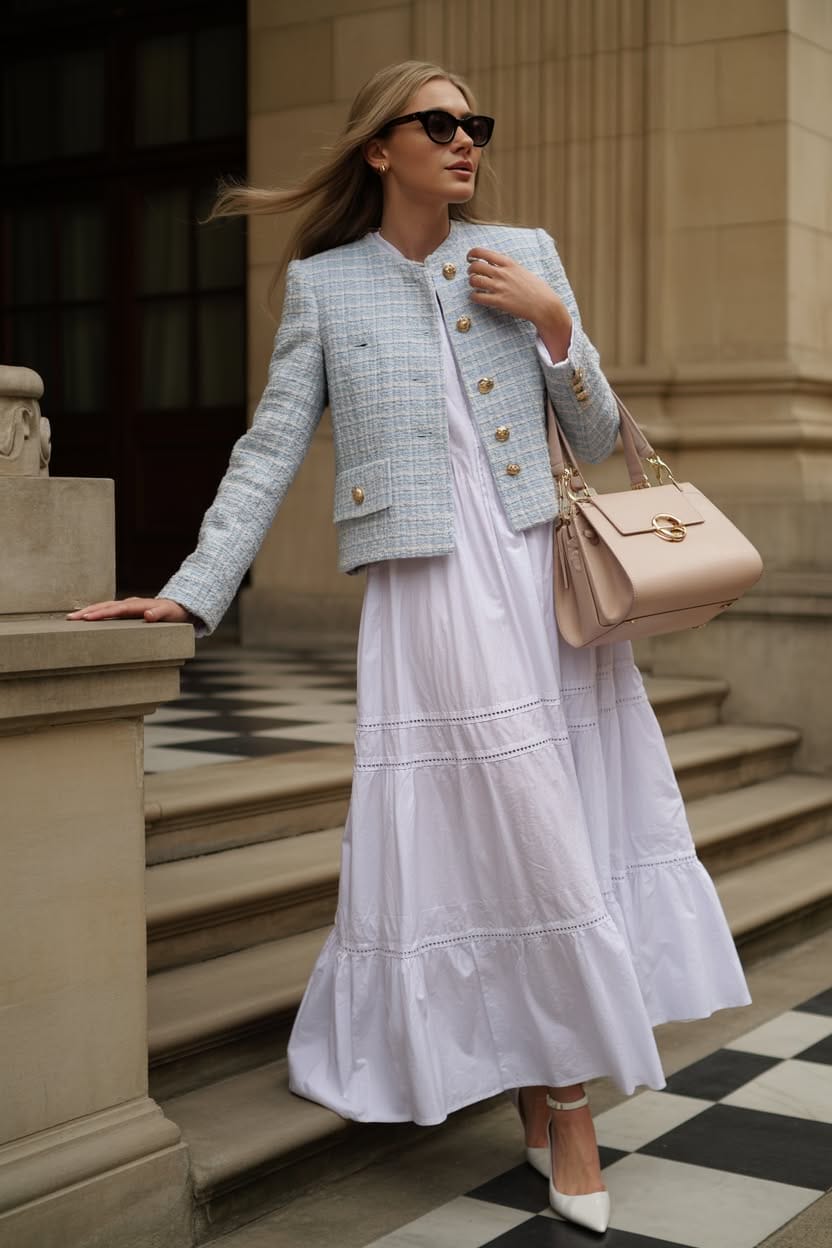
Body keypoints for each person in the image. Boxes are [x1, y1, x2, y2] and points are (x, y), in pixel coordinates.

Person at [68, 59, 752, 1235]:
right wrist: (190, 593)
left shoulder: (523, 249)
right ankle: (561, 1096)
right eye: (438, 122)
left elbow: (592, 430)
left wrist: (553, 325)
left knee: (560, 818)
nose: (464, 139)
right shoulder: (327, 288)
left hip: (542, 577)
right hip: (429, 595)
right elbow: (270, 447)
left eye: (473, 122)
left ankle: (557, 1085)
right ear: (380, 149)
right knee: (508, 824)